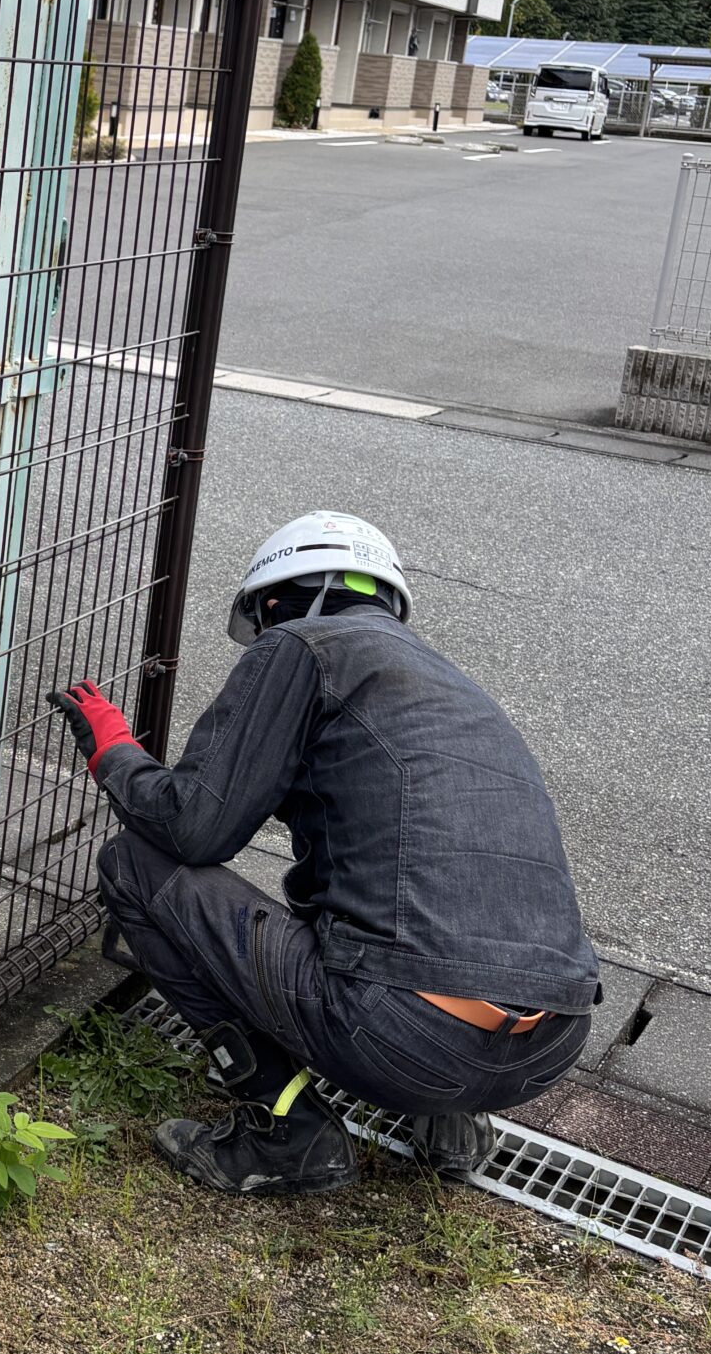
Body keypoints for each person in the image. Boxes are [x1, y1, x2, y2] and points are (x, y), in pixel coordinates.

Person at [48, 510, 598, 1197]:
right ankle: (450, 1123)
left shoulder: (302, 646)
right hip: (548, 1049)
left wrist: (114, 750)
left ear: (279, 601)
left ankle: (289, 1133)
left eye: (267, 618)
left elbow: (196, 830)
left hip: (404, 1037)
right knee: (421, 909)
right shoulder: (454, 693)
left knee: (136, 866)